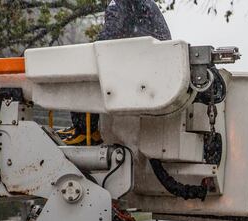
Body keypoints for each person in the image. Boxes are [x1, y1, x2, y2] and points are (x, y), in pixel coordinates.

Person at [59, 0, 172, 145]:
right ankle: (86, 129)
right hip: (153, 72)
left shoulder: (120, 3)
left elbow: (107, 38)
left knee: (84, 68)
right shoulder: (145, 4)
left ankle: (85, 131)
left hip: (139, 73)